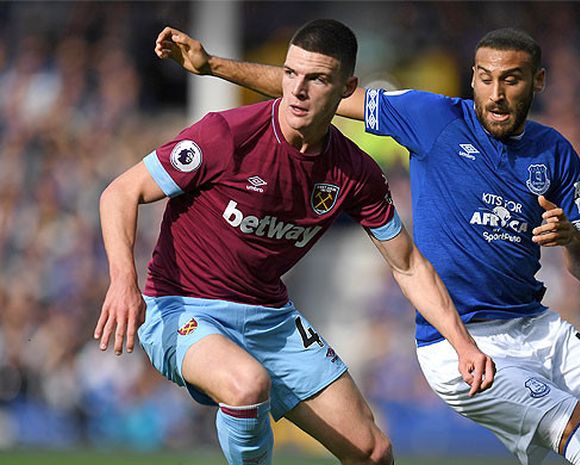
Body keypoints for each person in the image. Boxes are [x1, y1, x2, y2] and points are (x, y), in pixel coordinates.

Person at [155, 25, 580, 465]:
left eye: (511, 81)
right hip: (460, 339)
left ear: (537, 82)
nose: (496, 94)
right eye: (485, 79)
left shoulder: (556, 152)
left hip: (539, 325)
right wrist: (214, 66)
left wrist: (572, 240)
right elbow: (317, 86)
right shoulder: (433, 118)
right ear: (472, 80)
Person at [95, 19, 495, 465]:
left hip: (271, 317)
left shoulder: (354, 172)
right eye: (290, 74)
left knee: (373, 451)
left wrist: (463, 343)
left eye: (317, 79)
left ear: (347, 88)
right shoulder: (226, 136)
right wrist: (122, 281)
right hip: (181, 306)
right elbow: (120, 193)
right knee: (247, 385)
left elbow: (408, 266)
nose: (298, 91)